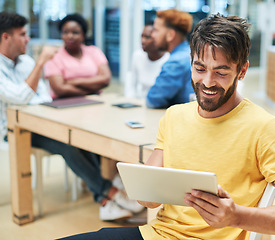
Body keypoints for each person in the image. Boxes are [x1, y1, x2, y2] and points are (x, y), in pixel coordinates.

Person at [57, 14, 275, 240]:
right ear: (190, 62)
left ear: (242, 70)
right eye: (199, 68)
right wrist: (144, 190)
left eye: (221, 72)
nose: (207, 82)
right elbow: (149, 198)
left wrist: (236, 216)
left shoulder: (265, 128)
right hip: (159, 234)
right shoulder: (173, 117)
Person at [0, 12, 143, 222]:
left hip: (40, 121)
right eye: (22, 34)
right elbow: (20, 98)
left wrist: (62, 84)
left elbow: (42, 96)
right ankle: (110, 193)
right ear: (6, 37)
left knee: (85, 136)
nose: (28, 39)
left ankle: (105, 199)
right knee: (67, 143)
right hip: (14, 129)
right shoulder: (32, 63)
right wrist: (41, 63)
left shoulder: (25, 63)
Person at [44, 13, 110, 98]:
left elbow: (105, 79)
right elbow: (59, 89)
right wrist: (92, 90)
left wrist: (73, 81)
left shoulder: (94, 51)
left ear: (83, 36)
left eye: (75, 32)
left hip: (93, 101)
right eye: (65, 32)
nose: (70, 36)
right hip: (63, 104)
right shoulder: (54, 57)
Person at [146, 9, 194, 109]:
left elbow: (153, 100)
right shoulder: (190, 53)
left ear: (170, 35)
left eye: (156, 30)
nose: (152, 35)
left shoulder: (176, 62)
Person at [124, 22, 169, 99]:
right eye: (141, 36)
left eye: (147, 37)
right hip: (140, 103)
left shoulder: (169, 59)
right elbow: (131, 87)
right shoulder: (137, 56)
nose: (142, 41)